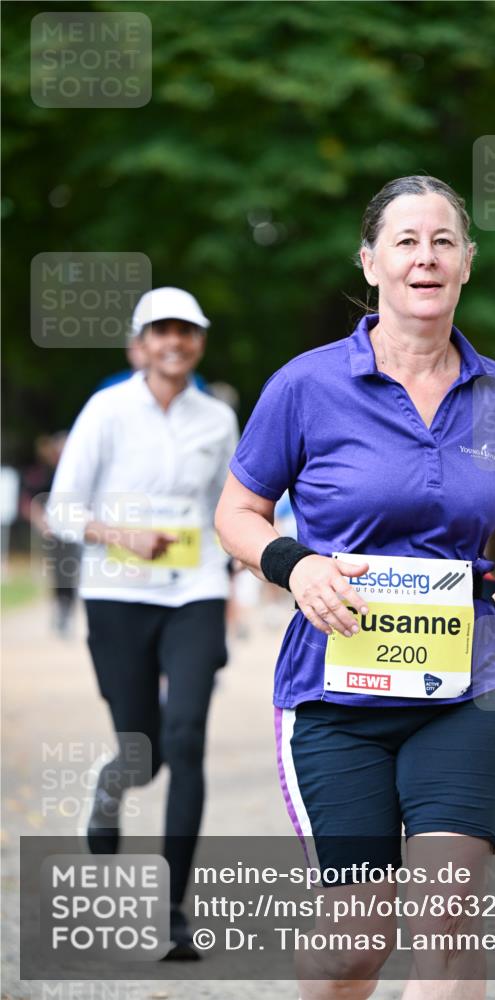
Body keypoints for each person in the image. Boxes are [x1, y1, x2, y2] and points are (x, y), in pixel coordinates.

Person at [216, 175, 495, 999]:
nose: (424, 257)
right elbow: (236, 512)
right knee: (354, 947)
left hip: (461, 687)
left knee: (448, 923)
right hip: (335, 698)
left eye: (442, 241)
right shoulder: (305, 385)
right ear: (370, 262)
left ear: (467, 262)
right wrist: (299, 567)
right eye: (405, 241)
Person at [47, 286, 238, 958]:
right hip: (117, 595)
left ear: (198, 343)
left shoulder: (216, 420)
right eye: (162, 331)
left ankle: (173, 910)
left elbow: (228, 512)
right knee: (143, 750)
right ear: (140, 342)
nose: (175, 342)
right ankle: (110, 788)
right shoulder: (107, 410)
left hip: (195, 591)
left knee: (186, 740)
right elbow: (60, 509)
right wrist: (118, 535)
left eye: (187, 332)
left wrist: (232, 588)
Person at [21, 432, 80, 636]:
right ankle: (61, 607)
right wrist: (41, 523)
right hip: (52, 531)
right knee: (59, 571)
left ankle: (68, 608)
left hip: (74, 530)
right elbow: (31, 501)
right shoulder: (44, 474)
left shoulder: (75, 474)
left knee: (72, 570)